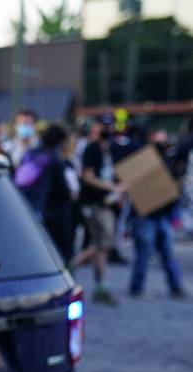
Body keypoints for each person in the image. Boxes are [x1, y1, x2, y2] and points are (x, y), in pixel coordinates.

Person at [72, 116, 124, 304]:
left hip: (106, 204)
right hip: (94, 203)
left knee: (103, 246)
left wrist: (117, 193)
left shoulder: (110, 149)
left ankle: (100, 284)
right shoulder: (91, 148)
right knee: (102, 244)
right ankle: (69, 267)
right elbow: (88, 177)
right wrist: (113, 188)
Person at [128, 129, 186, 298]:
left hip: (162, 216)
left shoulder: (168, 161)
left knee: (168, 254)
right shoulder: (141, 162)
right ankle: (137, 288)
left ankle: (175, 287)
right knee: (144, 254)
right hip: (145, 216)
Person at [15, 124, 76, 261]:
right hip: (52, 214)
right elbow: (63, 192)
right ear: (61, 141)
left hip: (27, 208)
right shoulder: (54, 159)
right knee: (59, 255)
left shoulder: (30, 153)